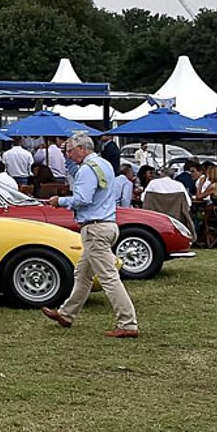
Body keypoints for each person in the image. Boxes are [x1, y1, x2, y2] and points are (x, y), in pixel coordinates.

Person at [42, 132, 139, 337]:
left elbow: (82, 198)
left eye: (70, 151)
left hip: (94, 228)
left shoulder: (87, 169)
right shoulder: (103, 165)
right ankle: (67, 314)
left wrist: (59, 202)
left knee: (108, 278)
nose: (68, 155)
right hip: (107, 225)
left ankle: (128, 323)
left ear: (82, 149)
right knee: (83, 274)